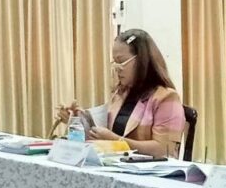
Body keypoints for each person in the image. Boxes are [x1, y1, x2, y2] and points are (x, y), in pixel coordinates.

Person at [56, 29, 186, 159]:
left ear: (142, 60)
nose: (117, 68)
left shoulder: (166, 98)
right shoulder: (120, 94)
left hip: (148, 170)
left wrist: (116, 141)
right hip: (116, 165)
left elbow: (164, 149)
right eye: (115, 62)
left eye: (122, 62)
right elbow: (101, 135)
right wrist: (77, 121)